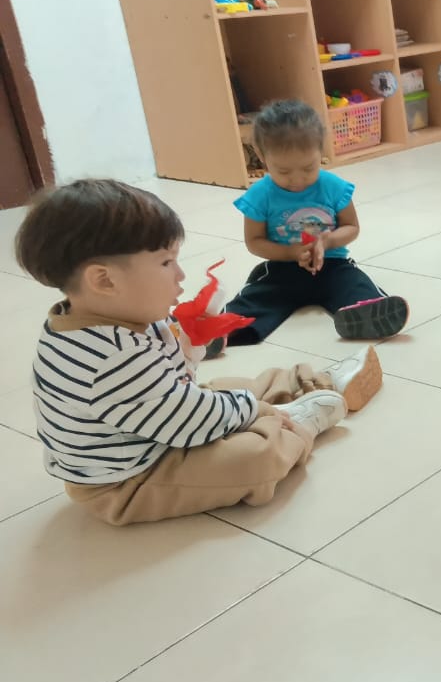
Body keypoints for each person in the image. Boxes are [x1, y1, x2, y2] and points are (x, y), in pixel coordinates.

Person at [14, 179, 382, 525]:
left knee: (230, 387)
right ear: (104, 280)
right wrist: (255, 411)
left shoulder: (108, 318)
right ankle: (298, 424)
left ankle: (315, 382)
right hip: (130, 479)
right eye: (165, 263)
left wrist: (189, 347)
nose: (180, 275)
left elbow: (177, 386)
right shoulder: (112, 358)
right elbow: (188, 421)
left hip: (158, 426)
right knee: (252, 460)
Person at [221, 99, 409, 347]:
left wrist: (327, 241)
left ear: (321, 151)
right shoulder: (259, 195)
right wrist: (290, 253)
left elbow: (351, 227)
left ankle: (369, 315)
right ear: (261, 155)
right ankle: (224, 331)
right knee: (260, 294)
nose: (297, 179)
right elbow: (254, 241)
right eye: (283, 171)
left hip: (332, 264)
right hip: (282, 269)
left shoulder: (333, 186)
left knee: (353, 283)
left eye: (309, 168)